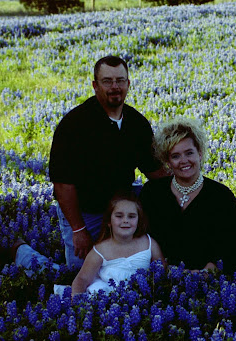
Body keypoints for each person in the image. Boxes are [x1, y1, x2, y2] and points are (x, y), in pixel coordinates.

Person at [48, 55, 166, 270]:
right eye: (107, 81)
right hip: (85, 211)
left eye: (120, 80)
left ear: (128, 84)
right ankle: (24, 254)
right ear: (95, 85)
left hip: (121, 210)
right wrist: (78, 230)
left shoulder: (136, 123)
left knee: (125, 271)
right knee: (80, 276)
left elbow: (155, 171)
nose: (115, 87)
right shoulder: (74, 125)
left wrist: (191, 189)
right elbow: (63, 184)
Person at [139, 117, 236, 273]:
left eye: (189, 153)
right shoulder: (152, 192)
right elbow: (138, 238)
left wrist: (210, 271)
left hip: (210, 281)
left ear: (200, 154)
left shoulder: (221, 196)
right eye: (175, 156)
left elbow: (233, 245)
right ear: (167, 162)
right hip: (160, 279)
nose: (184, 161)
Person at [71, 192, 165, 295]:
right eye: (119, 216)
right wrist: (77, 303)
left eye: (131, 216)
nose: (125, 220)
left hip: (142, 297)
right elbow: (82, 279)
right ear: (109, 222)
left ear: (139, 221)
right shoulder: (101, 250)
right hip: (108, 300)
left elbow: (163, 270)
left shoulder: (148, 243)